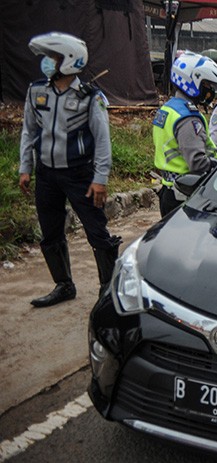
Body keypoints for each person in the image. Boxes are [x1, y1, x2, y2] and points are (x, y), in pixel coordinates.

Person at [19, 32, 122, 307]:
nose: (47, 63)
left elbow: (102, 140)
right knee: (50, 231)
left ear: (68, 61)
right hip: (47, 175)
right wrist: (25, 167)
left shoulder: (90, 98)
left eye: (52, 58)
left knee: (97, 231)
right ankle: (63, 285)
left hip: (81, 175)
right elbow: (28, 131)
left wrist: (100, 179)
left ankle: (108, 289)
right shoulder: (37, 91)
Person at [152, 51, 217, 217]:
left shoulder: (168, 109)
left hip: (170, 189)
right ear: (193, 81)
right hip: (186, 194)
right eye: (207, 85)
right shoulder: (188, 118)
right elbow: (197, 162)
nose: (210, 91)